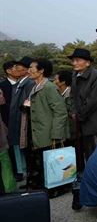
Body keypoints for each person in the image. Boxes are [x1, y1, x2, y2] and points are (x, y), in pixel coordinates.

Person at [69, 48, 97, 210]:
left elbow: (93, 101)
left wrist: (79, 115)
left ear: (88, 62)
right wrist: (73, 111)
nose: (75, 63)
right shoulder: (75, 76)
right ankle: (96, 197)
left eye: (78, 60)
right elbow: (73, 98)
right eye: (73, 60)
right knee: (89, 160)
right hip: (84, 124)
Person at [24, 59, 69, 190]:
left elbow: (60, 112)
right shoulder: (35, 87)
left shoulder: (49, 87)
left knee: (53, 164)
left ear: (41, 70)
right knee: (44, 163)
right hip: (39, 132)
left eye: (32, 68)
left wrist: (56, 133)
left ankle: (57, 188)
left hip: (49, 133)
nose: (29, 71)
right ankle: (47, 187)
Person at [8, 57, 34, 184]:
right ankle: (24, 174)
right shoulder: (19, 84)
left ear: (26, 70)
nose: (15, 69)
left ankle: (29, 176)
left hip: (23, 122)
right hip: (15, 121)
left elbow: (28, 104)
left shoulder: (29, 83)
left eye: (17, 66)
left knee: (25, 149)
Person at [54, 70, 75, 143]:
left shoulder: (71, 94)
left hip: (71, 130)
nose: (54, 81)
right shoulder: (57, 93)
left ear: (63, 82)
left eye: (56, 79)